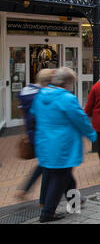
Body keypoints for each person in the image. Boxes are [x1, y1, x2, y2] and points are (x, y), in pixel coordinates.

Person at [30, 67, 97, 223]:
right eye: (71, 82)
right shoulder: (67, 98)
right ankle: (48, 212)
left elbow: (34, 115)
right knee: (60, 178)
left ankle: (74, 204)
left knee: (65, 176)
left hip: (45, 143)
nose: (71, 86)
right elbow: (80, 119)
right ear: (67, 82)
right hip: (63, 145)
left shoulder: (40, 96)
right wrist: (92, 135)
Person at [17, 69, 55, 202]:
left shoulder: (25, 91)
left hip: (31, 132)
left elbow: (23, 114)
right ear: (46, 82)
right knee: (49, 165)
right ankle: (44, 199)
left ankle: (27, 190)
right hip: (43, 134)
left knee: (44, 164)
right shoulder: (41, 95)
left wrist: (25, 132)